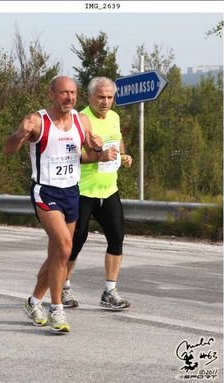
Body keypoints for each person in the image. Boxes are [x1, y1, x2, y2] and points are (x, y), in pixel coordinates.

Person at [3, 76, 118, 333]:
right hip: (46, 191)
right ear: (53, 94)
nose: (69, 98)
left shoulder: (81, 120)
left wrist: (98, 149)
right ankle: (57, 309)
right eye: (64, 93)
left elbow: (87, 153)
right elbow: (8, 150)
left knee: (58, 253)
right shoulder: (38, 121)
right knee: (65, 247)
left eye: (73, 93)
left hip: (71, 192)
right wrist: (20, 134)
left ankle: (34, 301)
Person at [64, 77, 132, 310]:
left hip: (109, 189)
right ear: (90, 97)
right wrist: (99, 157)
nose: (105, 102)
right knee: (75, 241)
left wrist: (123, 155)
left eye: (109, 97)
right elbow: (71, 155)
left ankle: (109, 291)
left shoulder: (114, 116)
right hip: (82, 190)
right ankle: (63, 286)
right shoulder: (80, 119)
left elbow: (118, 140)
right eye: (100, 97)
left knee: (116, 238)